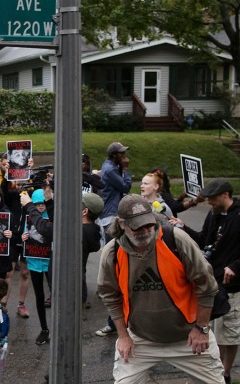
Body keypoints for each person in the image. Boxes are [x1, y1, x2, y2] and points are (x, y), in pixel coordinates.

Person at [96, 194, 225, 383]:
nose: (145, 231)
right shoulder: (112, 252)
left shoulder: (176, 240)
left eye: (149, 224)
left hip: (189, 336)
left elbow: (207, 286)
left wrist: (202, 328)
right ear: (122, 224)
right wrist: (123, 336)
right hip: (140, 338)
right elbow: (109, 295)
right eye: (137, 227)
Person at [178, 179, 240, 383]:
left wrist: (236, 266)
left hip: (233, 285)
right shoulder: (213, 215)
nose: (209, 202)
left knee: (228, 333)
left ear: (225, 195)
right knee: (211, 330)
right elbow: (203, 240)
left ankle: (226, 373)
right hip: (212, 282)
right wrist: (182, 227)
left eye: (212, 198)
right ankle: (214, 372)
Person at [96, 142, 132, 337]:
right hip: (111, 216)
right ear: (115, 155)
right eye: (122, 154)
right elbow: (125, 186)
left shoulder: (110, 166)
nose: (125, 157)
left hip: (111, 213)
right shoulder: (111, 170)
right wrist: (126, 170)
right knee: (117, 258)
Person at [19, 188, 53, 345]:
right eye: (37, 204)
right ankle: (44, 329)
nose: (40, 207)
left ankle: (58, 327)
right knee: (39, 296)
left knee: (55, 295)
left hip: (49, 261)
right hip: (34, 260)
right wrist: (23, 236)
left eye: (42, 204)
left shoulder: (51, 217)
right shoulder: (28, 217)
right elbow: (23, 232)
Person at [81, 192, 104, 311]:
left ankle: (82, 302)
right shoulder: (92, 230)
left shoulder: (82, 231)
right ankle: (83, 301)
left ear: (84, 212)